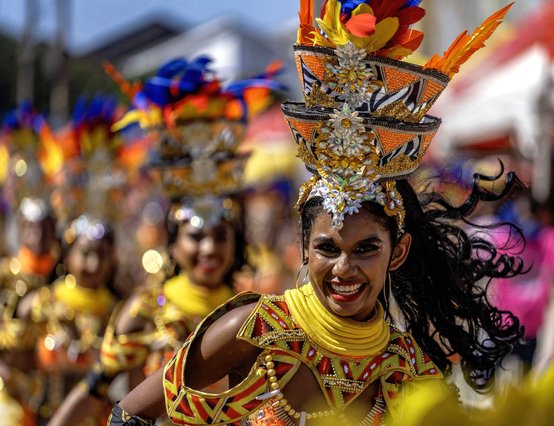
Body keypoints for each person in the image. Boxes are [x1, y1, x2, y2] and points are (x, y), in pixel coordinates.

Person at [108, 1, 526, 425]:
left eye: (366, 248)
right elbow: (127, 414)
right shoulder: (257, 328)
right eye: (328, 247)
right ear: (304, 248)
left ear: (398, 252)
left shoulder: (409, 369)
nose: (344, 269)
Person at [49, 57, 284, 425]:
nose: (208, 248)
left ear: (236, 243)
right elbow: (96, 389)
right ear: (173, 245)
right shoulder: (144, 311)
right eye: (195, 236)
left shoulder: (253, 312)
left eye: (220, 236)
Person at [0, 103, 63, 425]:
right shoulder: (4, 275)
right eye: (30, 226)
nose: (37, 234)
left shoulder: (65, 274)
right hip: (10, 396)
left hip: (59, 397)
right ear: (19, 228)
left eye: (44, 226)